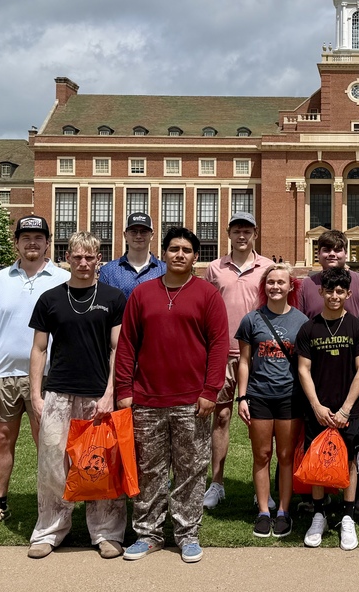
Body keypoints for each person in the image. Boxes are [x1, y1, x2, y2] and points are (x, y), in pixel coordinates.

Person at [115, 227, 230, 563]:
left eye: (187, 250)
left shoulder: (207, 295)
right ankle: (148, 534)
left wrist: (211, 391)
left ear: (195, 257)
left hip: (192, 401)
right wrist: (124, 390)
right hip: (147, 399)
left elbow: (219, 346)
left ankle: (187, 533)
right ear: (163, 254)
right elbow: (127, 347)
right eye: (174, 249)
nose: (180, 255)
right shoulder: (142, 294)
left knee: (191, 470)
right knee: (150, 470)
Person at [26, 231, 127, 559]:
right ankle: (50, 530)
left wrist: (111, 393)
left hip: (98, 395)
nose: (83, 263)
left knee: (100, 464)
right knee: (53, 464)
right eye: (77, 257)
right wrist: (37, 396)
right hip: (58, 393)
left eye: (90, 257)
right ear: (66, 258)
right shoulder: (50, 299)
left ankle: (106, 532)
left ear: (99, 260)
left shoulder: (113, 298)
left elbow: (117, 349)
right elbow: (39, 349)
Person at [0, 216, 70, 531]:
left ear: (47, 243)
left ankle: (53, 508)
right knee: (2, 439)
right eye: (25, 237)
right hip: (2, 375)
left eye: (38, 238)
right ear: (16, 242)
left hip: (48, 376)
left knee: (49, 442)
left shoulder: (62, 279)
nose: (32, 243)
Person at [203, 212, 275, 511]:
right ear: (229, 234)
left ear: (255, 233)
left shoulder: (268, 267)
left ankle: (263, 488)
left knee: (260, 425)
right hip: (221, 353)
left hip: (258, 356)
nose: (241, 236)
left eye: (246, 230)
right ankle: (217, 483)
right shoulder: (214, 268)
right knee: (219, 418)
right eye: (236, 230)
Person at [296, 267, 359, 550]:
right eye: (330, 290)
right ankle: (319, 514)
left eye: (341, 291)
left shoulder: (357, 328)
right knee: (318, 461)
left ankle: (348, 517)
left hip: (348, 410)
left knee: (350, 460)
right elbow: (304, 369)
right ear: (321, 292)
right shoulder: (309, 328)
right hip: (319, 408)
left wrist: (346, 409)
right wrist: (316, 406)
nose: (335, 296)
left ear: (349, 293)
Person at [234, 263, 308, 537]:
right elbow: (244, 362)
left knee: (286, 456)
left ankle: (284, 512)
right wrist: (242, 396)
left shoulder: (302, 322)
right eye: (270, 282)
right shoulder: (251, 320)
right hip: (260, 396)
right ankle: (264, 511)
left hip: (290, 397)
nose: (275, 287)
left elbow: (305, 365)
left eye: (281, 282)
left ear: (291, 286)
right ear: (264, 287)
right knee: (262, 455)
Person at [298, 229, 359, 318]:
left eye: (337, 250)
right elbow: (298, 322)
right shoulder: (304, 286)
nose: (332, 254)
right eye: (326, 250)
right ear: (318, 254)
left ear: (346, 254)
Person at [97, 212, 166, 299]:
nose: (138, 236)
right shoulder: (108, 271)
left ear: (152, 235)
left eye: (144, 232)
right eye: (133, 232)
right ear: (125, 235)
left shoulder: (165, 271)